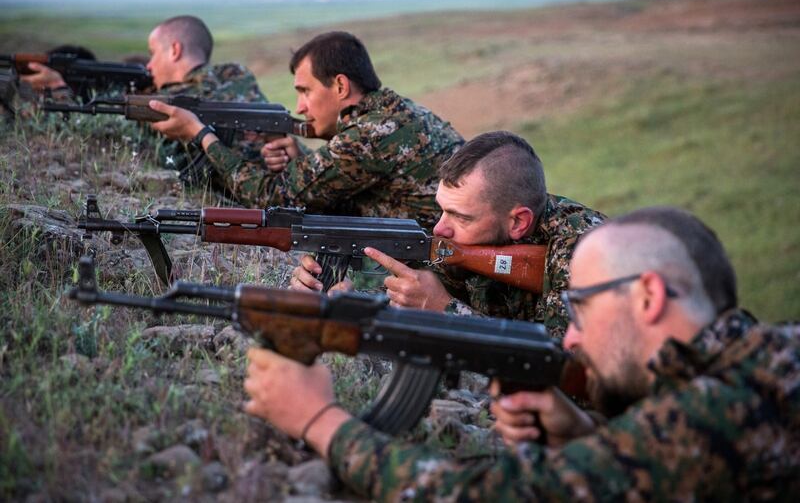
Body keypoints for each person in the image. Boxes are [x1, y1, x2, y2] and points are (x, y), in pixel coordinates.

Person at [243, 206, 799, 501]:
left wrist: (317, 419)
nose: (572, 339)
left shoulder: (718, 412)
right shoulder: (760, 362)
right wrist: (587, 440)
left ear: (650, 296)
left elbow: (482, 496)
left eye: (580, 309)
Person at [291, 131, 605, 337]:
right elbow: (415, 291)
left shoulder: (586, 254)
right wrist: (339, 292)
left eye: (459, 216)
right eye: (442, 210)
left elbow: (564, 371)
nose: (440, 228)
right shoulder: (465, 242)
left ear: (518, 223)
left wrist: (445, 309)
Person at [148, 31, 464, 229]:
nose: (300, 107)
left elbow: (270, 198)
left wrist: (201, 135)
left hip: (440, 263)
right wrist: (302, 157)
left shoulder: (368, 134)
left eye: (306, 91)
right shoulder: (396, 112)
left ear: (340, 85)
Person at [19, 16, 267, 180]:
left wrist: (57, 88)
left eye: (152, 53)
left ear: (175, 50)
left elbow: (90, 126)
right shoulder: (237, 75)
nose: (148, 65)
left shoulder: (169, 104)